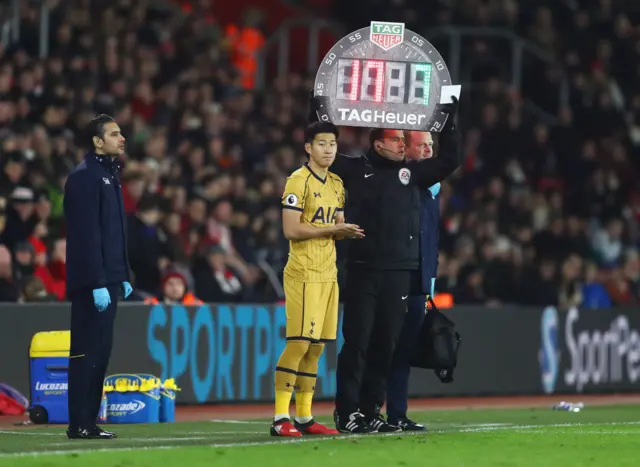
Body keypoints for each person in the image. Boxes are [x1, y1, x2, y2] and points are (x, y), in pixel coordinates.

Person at [315, 98, 461, 434]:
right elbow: (321, 152)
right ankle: (346, 411)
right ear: (378, 143)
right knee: (358, 344)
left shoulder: (412, 174)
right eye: (396, 140)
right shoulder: (355, 169)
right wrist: (318, 114)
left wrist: (448, 121)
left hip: (400, 272)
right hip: (364, 270)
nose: (402, 145)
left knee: (385, 345)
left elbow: (450, 159)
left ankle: (370, 412)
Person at [271, 121, 365, 437]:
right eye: (322, 143)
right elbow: (291, 229)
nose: (328, 149)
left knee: (317, 348)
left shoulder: (337, 183)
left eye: (333, 144)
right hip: (303, 273)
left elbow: (337, 226)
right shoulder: (297, 181)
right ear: (308, 147)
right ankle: (279, 417)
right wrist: (333, 230)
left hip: (328, 274)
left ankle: (304, 418)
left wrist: (348, 231)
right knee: (298, 343)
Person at [63, 114, 133, 440]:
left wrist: (121, 275)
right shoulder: (85, 177)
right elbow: (86, 236)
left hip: (108, 280)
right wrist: (96, 282)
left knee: (100, 355)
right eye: (115, 133)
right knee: (85, 354)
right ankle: (78, 422)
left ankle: (88, 422)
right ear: (97, 140)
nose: (122, 138)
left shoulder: (107, 175)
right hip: (93, 284)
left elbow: (113, 233)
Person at [386, 131, 440, 431]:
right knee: (384, 345)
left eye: (431, 145)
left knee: (405, 348)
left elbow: (431, 235)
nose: (429, 150)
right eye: (423, 145)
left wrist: (430, 279)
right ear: (407, 149)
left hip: (420, 276)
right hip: (395, 273)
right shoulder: (398, 180)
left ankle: (397, 413)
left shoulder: (433, 185)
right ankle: (365, 411)